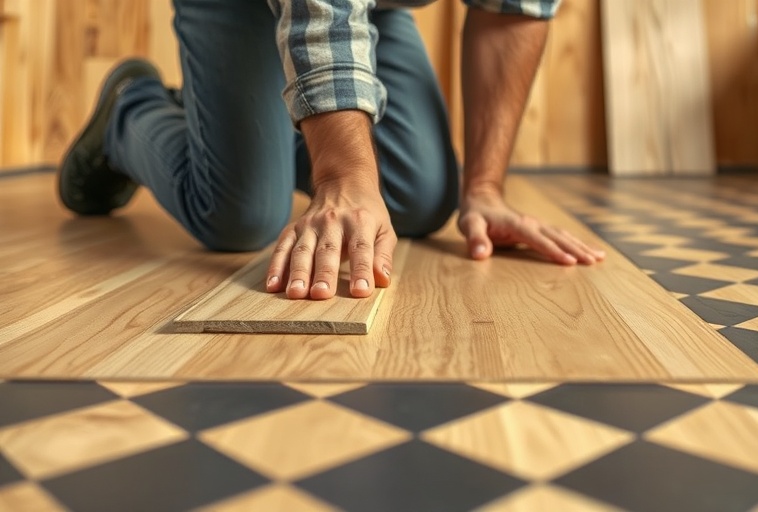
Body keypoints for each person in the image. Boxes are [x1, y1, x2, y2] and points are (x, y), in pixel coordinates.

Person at [59, 0, 604, 301]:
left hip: (370, 9)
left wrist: (485, 189)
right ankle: (131, 108)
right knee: (240, 217)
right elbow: (320, 11)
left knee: (421, 200)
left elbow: (513, 9)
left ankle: (234, 127)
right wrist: (344, 177)